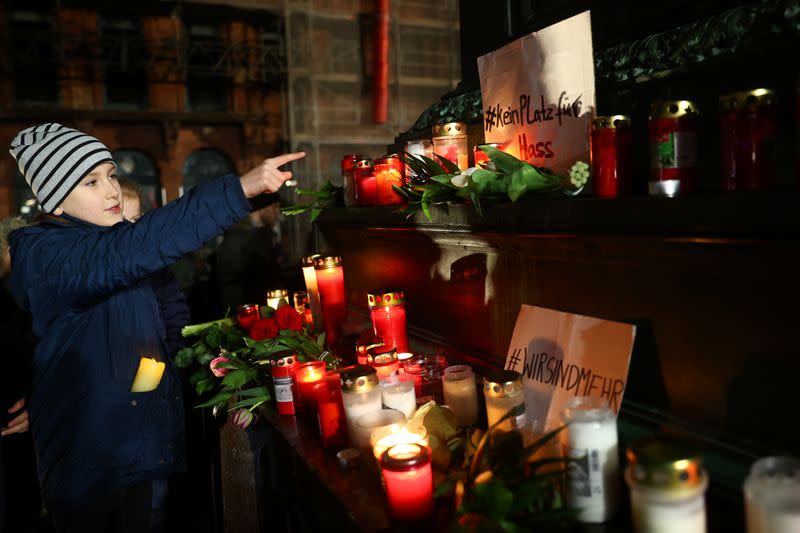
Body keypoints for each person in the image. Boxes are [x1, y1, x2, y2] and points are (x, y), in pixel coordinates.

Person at [4, 122, 303, 533]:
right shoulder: (49, 257)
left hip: (136, 446)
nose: (110, 190)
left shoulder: (103, 241)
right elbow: (136, 247)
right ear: (55, 202)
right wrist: (237, 190)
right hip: (94, 463)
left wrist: (254, 197)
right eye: (91, 182)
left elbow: (153, 233)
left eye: (110, 175)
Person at [213, 192, 290, 314]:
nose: (278, 213)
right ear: (262, 208)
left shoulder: (261, 235)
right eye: (274, 208)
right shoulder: (238, 238)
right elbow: (231, 282)